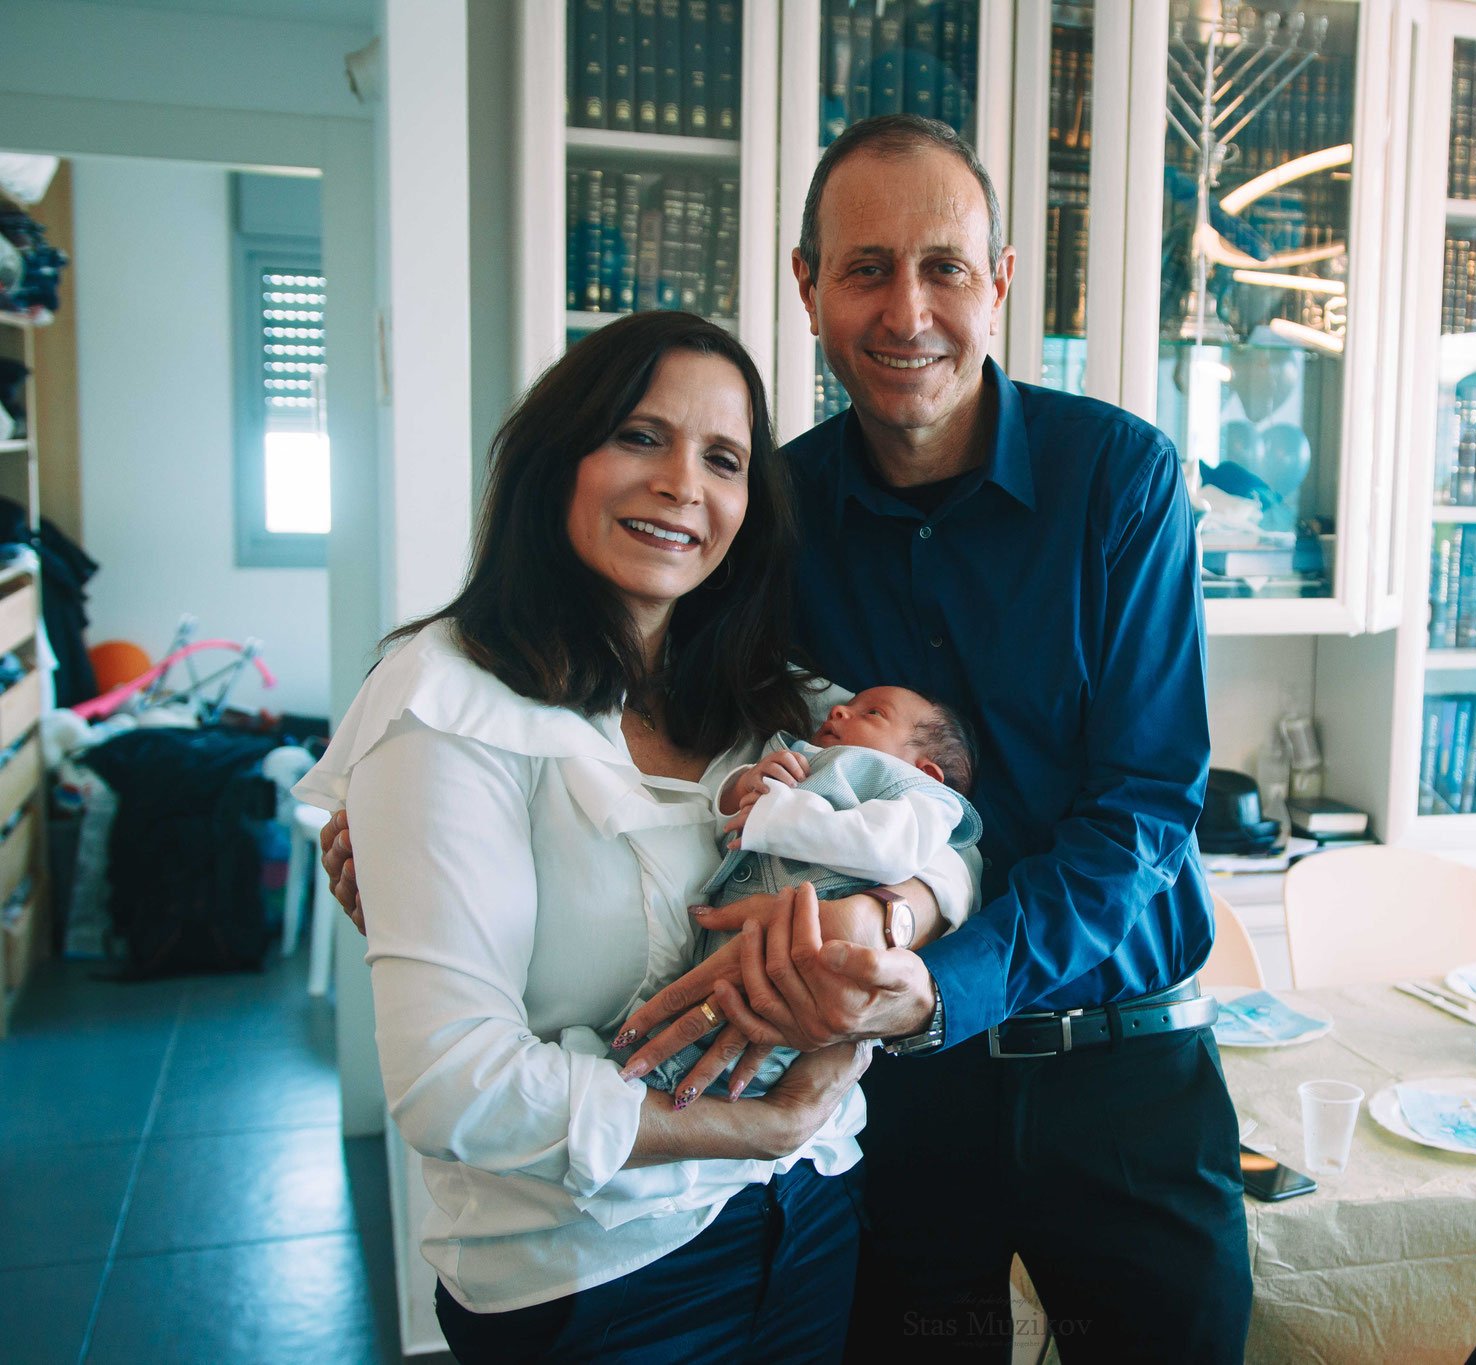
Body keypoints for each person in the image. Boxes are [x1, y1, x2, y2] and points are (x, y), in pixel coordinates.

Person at [327, 116, 1252, 1358]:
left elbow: (1142, 809)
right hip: (883, 1097)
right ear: (808, 288)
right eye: (865, 269)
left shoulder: (1117, 479)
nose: (906, 311)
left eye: (943, 268)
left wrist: (931, 960)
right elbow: (694, 751)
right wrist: (425, 860)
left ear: (999, 283)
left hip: (1115, 1072)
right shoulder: (767, 511)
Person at [297, 311, 972, 1363]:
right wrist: (768, 1124)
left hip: (808, 1217)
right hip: (597, 1275)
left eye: (723, 460)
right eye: (640, 437)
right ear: (557, 458)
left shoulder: (774, 696)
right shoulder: (447, 703)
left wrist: (891, 912)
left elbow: (949, 826)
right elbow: (451, 1085)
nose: (681, 485)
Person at [599, 684, 982, 1101]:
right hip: (729, 939)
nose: (838, 710)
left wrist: (779, 814)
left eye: (872, 713)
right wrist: (741, 789)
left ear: (926, 771)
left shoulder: (924, 798)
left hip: (808, 969)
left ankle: (681, 1098)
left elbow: (888, 850)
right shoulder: (800, 756)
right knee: (676, 1025)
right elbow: (726, 835)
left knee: (740, 1040)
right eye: (847, 705)